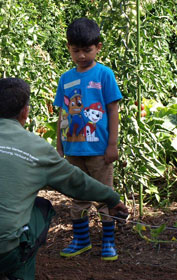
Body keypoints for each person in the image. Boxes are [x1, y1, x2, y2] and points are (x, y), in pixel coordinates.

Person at [0, 78, 128, 280]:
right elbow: (77, 182)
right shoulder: (38, 148)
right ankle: (19, 275)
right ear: (25, 112)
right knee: (42, 208)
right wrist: (111, 198)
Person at [53, 17, 123, 261]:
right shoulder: (65, 79)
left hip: (99, 150)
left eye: (87, 50)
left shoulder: (104, 74)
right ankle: (81, 241)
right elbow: (62, 114)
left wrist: (112, 144)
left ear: (98, 47)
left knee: (105, 197)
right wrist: (59, 147)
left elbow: (113, 109)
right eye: (76, 50)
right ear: (69, 49)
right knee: (78, 198)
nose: (81, 55)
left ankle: (108, 243)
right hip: (73, 150)